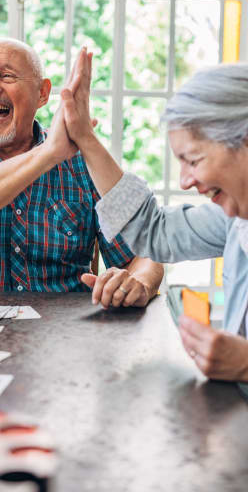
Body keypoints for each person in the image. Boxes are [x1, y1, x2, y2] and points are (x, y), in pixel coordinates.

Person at [0, 38, 163, 303]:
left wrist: (139, 283)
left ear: (42, 94)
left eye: (6, 76)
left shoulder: (84, 163)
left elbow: (144, 252)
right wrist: (47, 154)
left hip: (62, 333)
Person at [59, 49, 248, 382]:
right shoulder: (234, 220)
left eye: (193, 160)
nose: (185, 181)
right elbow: (154, 231)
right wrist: (85, 139)